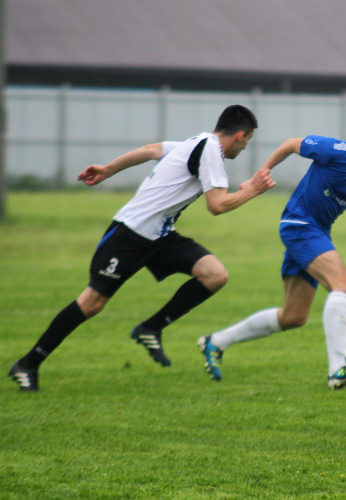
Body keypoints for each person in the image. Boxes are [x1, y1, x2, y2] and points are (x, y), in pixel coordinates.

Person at [8, 104, 275, 391]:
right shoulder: (210, 150)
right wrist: (253, 191)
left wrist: (107, 170)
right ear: (239, 135)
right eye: (247, 141)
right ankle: (27, 364)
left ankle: (151, 327)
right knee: (91, 303)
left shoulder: (195, 143)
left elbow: (150, 149)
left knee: (215, 275)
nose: (246, 147)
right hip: (129, 236)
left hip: (160, 236)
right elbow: (217, 205)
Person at [196, 116, 346, 389]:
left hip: (317, 233)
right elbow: (290, 145)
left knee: (293, 316)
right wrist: (258, 176)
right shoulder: (336, 150)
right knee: (343, 286)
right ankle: (337, 372)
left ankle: (215, 342)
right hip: (299, 224)